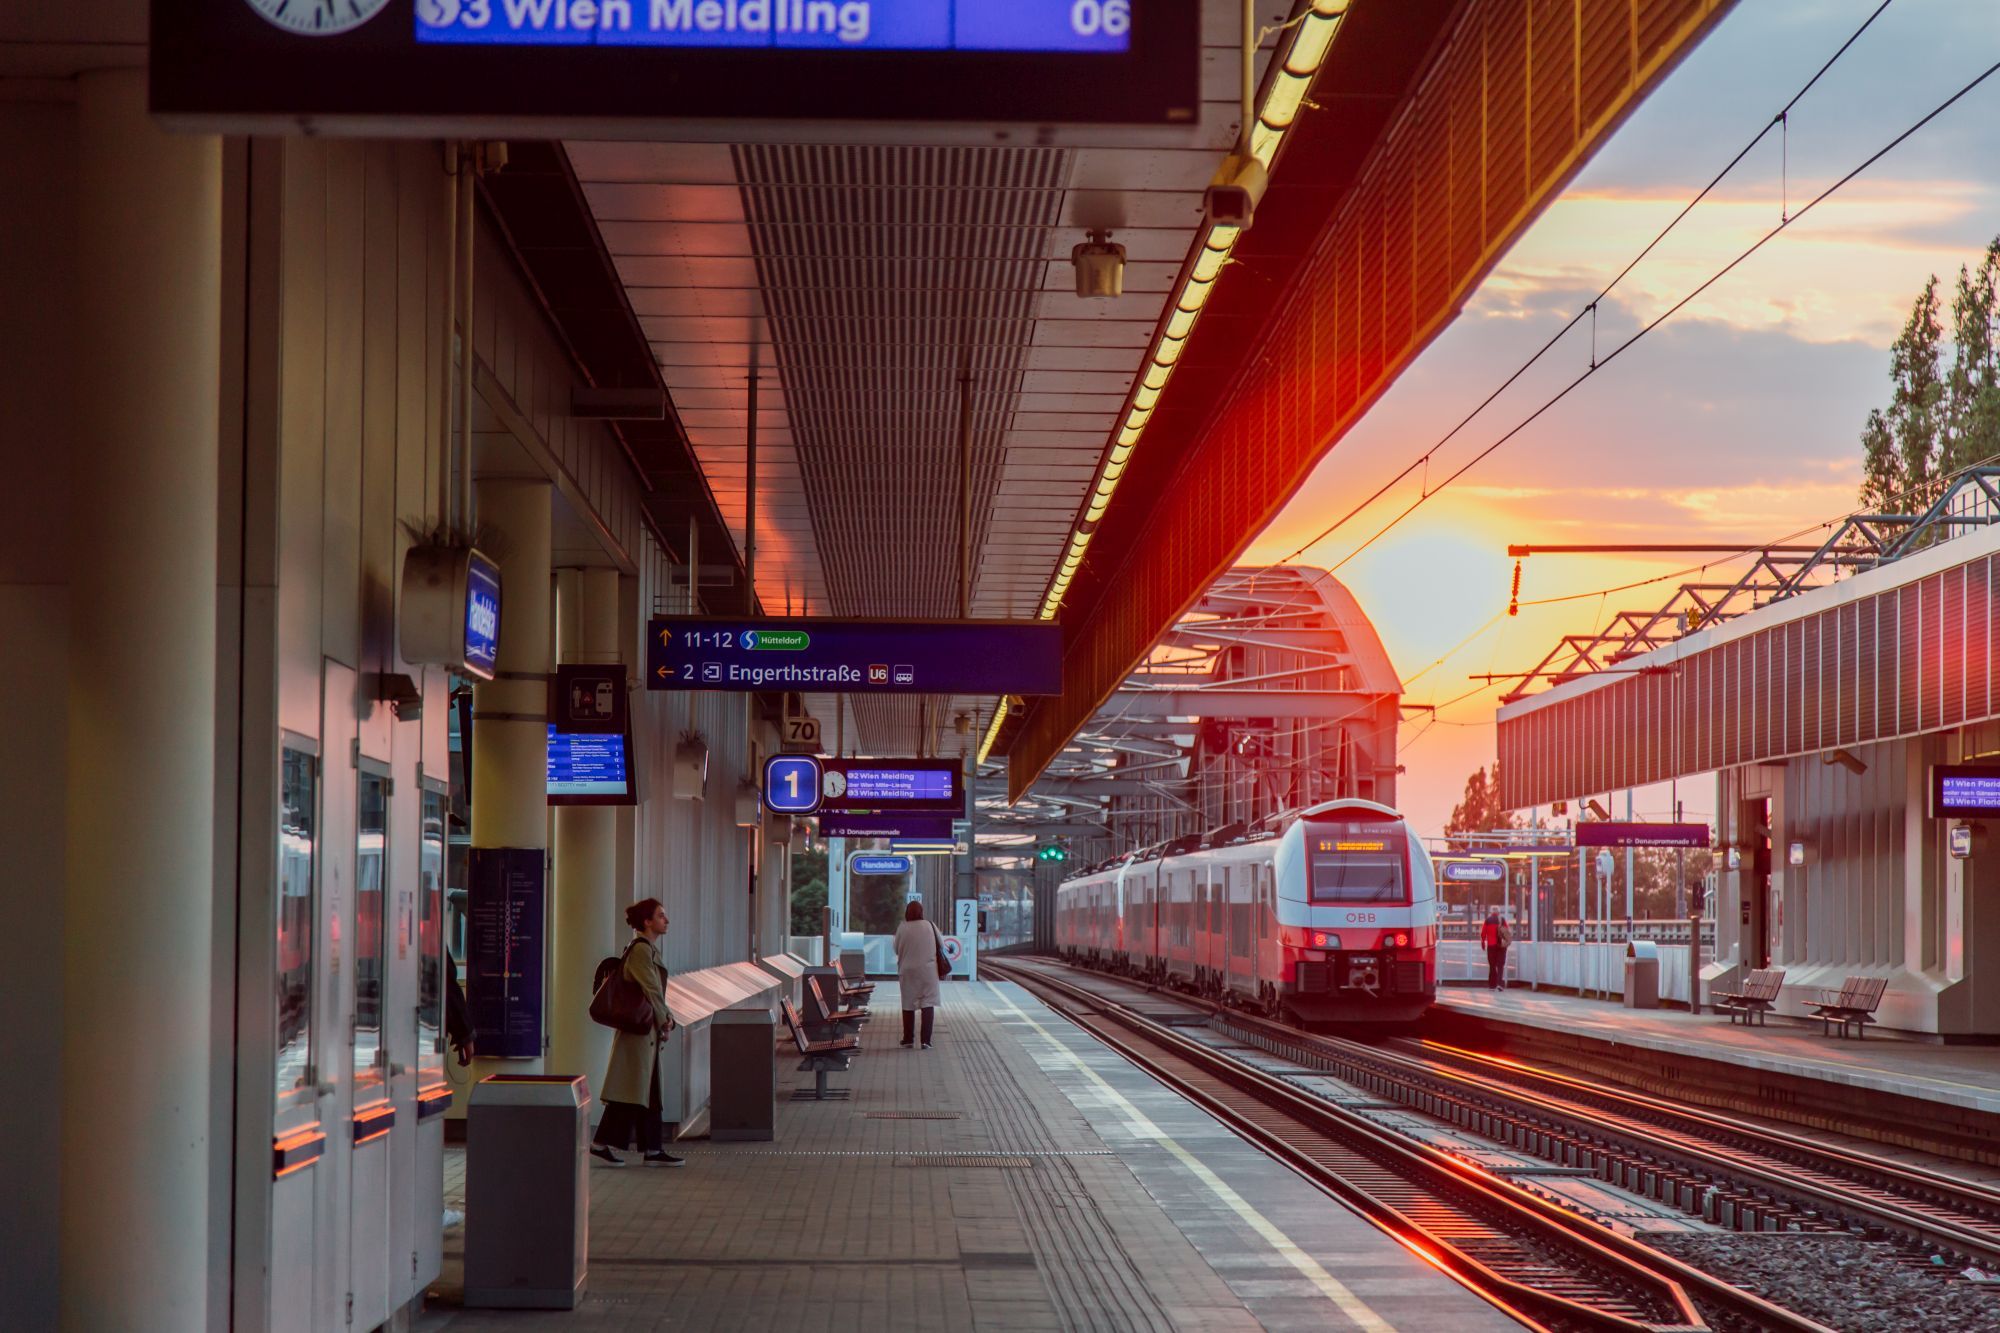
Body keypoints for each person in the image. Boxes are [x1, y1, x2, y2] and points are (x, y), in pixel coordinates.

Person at [591, 899, 682, 1167]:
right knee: (631, 1092)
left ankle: (652, 1149)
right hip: (638, 1035)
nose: (666, 920)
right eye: (661, 915)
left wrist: (664, 1019)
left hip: (644, 1034)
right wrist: (666, 1019)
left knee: (647, 1091)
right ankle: (601, 1143)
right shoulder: (641, 951)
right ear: (647, 921)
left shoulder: (645, 949)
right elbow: (651, 988)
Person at [892, 899, 944, 1049]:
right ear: (922, 912)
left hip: (907, 971)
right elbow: (941, 944)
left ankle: (908, 1039)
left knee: (908, 1004)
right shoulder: (930, 925)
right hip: (928, 972)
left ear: (906, 913)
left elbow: (896, 949)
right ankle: (925, 1041)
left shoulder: (902, 927)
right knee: (928, 1004)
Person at [1480, 909, 1510, 991]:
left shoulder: (1488, 920)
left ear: (1491, 913)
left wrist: (1482, 942)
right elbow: (1507, 932)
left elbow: (1483, 932)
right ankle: (1500, 984)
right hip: (1501, 945)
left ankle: (1492, 985)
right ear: (1498, 913)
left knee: (1492, 965)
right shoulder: (1502, 920)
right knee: (1500, 965)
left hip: (1491, 946)